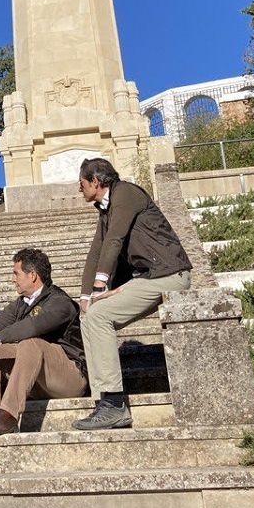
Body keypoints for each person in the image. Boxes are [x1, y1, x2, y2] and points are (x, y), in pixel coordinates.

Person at [74, 157, 193, 431]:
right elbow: (97, 251)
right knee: (88, 315)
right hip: (151, 277)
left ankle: (114, 404)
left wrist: (100, 286)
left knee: (100, 315)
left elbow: (115, 240)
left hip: (169, 275)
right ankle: (104, 400)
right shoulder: (105, 209)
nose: (79, 189)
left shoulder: (125, 193)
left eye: (81, 183)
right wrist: (84, 297)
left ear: (96, 181)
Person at [0, 247, 87, 438]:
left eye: (16, 273)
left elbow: (33, 326)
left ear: (32, 275)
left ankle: (8, 414)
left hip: (70, 378)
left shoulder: (60, 303)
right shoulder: (23, 302)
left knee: (30, 342)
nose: (12, 279)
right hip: (37, 380)